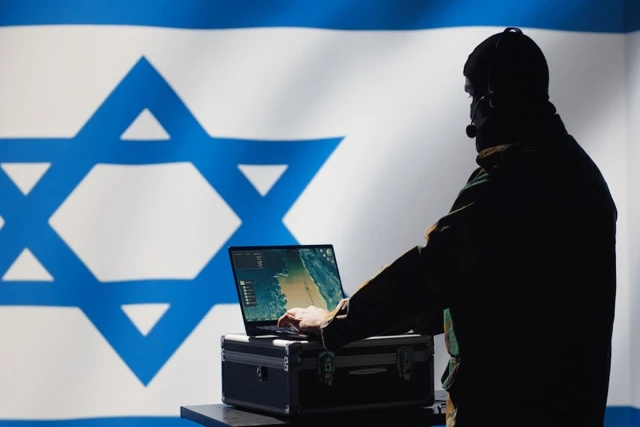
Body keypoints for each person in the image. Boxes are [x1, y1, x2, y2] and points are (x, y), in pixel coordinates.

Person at [277, 27, 617, 426]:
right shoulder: (581, 173)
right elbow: (494, 288)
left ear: (491, 101)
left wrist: (332, 323)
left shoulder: (510, 181)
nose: (472, 110)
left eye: (473, 96)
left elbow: (429, 271)